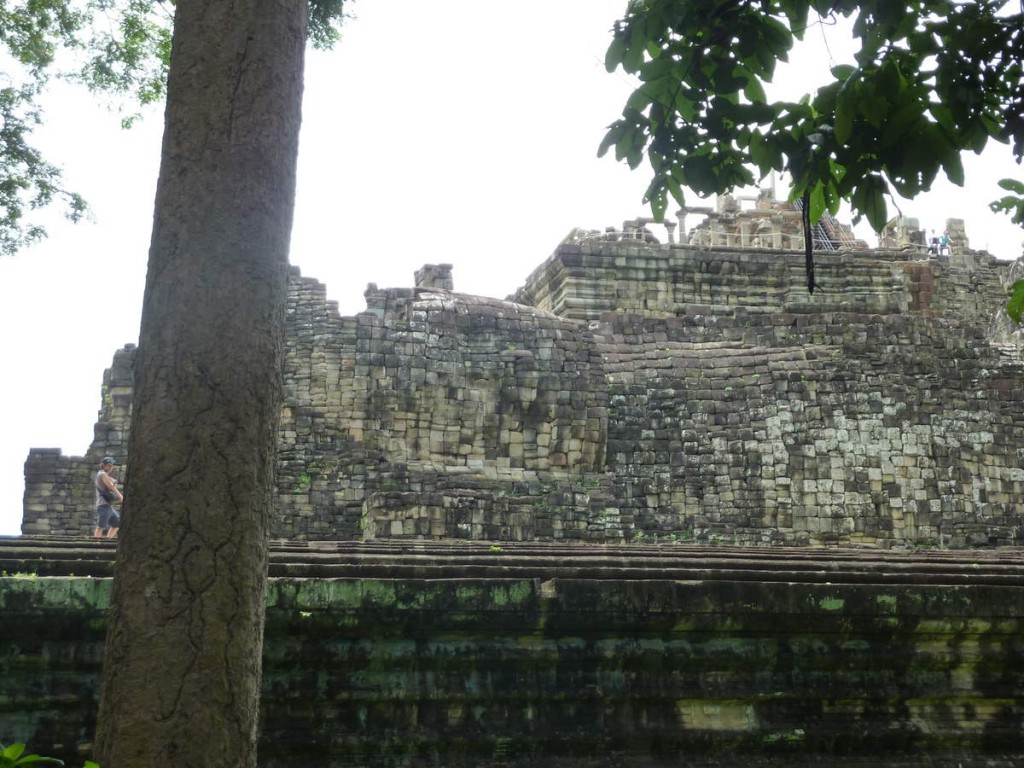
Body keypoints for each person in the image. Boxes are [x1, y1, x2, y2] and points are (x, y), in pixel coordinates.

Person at [94, 456, 123, 538]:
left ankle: (107, 540)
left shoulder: (105, 475)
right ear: (103, 465)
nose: (110, 467)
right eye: (108, 465)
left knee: (117, 523)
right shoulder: (102, 474)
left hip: (108, 505)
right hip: (103, 505)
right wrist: (120, 496)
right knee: (101, 526)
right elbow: (111, 487)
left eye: (111, 465)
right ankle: (95, 544)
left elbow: (113, 483)